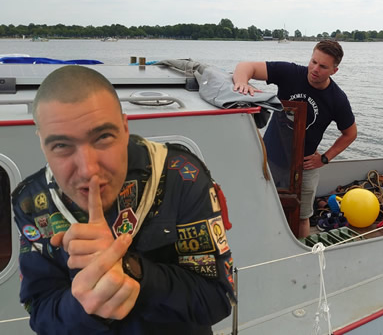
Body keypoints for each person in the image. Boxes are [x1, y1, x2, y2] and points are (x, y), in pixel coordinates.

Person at [12, 66, 235, 334]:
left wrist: (132, 269)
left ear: (125, 128)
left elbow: (217, 298)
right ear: (42, 144)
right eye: (61, 145)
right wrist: (84, 308)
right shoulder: (33, 204)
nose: (88, 170)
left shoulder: (180, 177)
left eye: (103, 137)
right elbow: (40, 312)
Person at [233, 40, 357, 238]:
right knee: (261, 206)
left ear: (334, 71)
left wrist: (324, 158)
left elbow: (350, 134)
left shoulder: (337, 99)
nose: (315, 69)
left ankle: (300, 255)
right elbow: (245, 67)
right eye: (313, 61)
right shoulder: (290, 73)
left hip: (304, 167)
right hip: (270, 157)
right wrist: (241, 82)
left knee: (301, 215)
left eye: (323, 66)